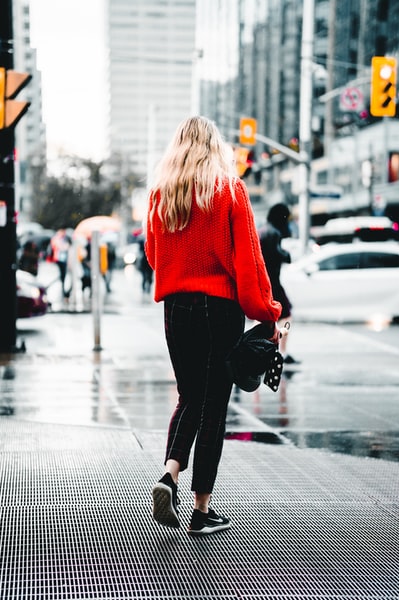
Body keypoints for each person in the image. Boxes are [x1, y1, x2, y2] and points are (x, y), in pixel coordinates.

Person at [145, 116, 282, 536]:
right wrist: (268, 314)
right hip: (219, 311)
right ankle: (202, 511)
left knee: (189, 396)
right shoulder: (229, 191)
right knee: (214, 408)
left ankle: (169, 474)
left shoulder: (160, 196)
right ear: (215, 146)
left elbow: (154, 257)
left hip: (175, 309)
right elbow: (249, 263)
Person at [259, 203, 299, 365]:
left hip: (265, 282)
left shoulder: (263, 230)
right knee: (286, 315)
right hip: (274, 282)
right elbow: (277, 254)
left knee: (265, 319)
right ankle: (281, 351)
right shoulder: (273, 233)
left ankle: (264, 351)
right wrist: (287, 255)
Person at [49, 228, 71, 298]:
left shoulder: (64, 239)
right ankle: (62, 287)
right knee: (62, 274)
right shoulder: (57, 239)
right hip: (59, 259)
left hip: (63, 259)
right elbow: (61, 247)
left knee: (63, 275)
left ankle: (63, 286)